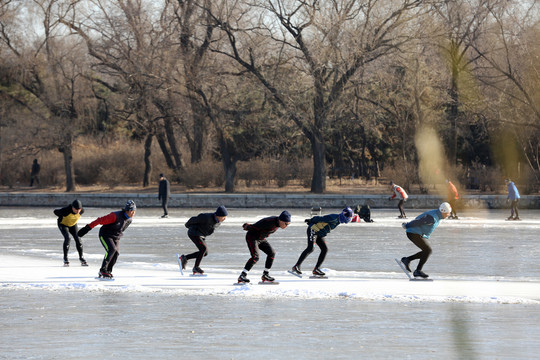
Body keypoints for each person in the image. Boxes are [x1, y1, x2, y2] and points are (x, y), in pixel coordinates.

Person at [77, 200, 136, 279]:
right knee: (112, 249)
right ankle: (103, 270)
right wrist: (86, 228)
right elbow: (99, 220)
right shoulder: (114, 216)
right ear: (126, 210)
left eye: (134, 211)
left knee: (116, 253)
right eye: (131, 211)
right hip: (105, 235)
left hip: (116, 236)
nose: (133, 213)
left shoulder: (129, 219)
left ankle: (108, 271)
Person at [290, 207, 353, 277]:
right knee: (310, 248)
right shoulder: (333, 218)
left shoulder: (338, 220)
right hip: (313, 230)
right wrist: (311, 220)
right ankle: (296, 266)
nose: (349, 220)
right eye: (348, 218)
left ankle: (316, 269)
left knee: (325, 249)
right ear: (344, 216)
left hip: (319, 233)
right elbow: (320, 218)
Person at [399, 202, 452, 279]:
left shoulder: (437, 215)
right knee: (427, 250)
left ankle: (407, 260)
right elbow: (418, 221)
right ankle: (417, 270)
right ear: (443, 211)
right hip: (413, 233)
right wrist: (407, 225)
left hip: (417, 233)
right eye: (448, 213)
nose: (448, 215)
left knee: (426, 251)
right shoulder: (432, 218)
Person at [237, 210, 291, 284]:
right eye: (286, 224)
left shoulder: (278, 223)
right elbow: (255, 226)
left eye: (288, 224)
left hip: (261, 238)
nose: (287, 226)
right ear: (281, 221)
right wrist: (247, 226)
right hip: (252, 237)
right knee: (255, 257)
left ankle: (265, 275)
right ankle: (242, 276)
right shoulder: (269, 222)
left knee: (272, 253)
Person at [179, 206, 228, 275]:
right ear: (218, 215)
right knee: (203, 248)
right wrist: (188, 226)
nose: (225, 218)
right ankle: (196, 267)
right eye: (223, 216)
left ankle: (185, 258)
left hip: (201, 235)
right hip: (194, 233)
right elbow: (193, 219)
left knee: (205, 253)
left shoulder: (218, 222)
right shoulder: (206, 217)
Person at [54, 199, 87, 266]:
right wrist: (61, 216)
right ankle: (65, 258)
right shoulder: (66, 210)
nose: (78, 211)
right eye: (76, 209)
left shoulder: (82, 211)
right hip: (63, 224)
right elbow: (55, 211)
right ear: (72, 207)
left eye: (79, 209)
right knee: (67, 238)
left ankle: (81, 257)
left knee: (78, 239)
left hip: (73, 225)